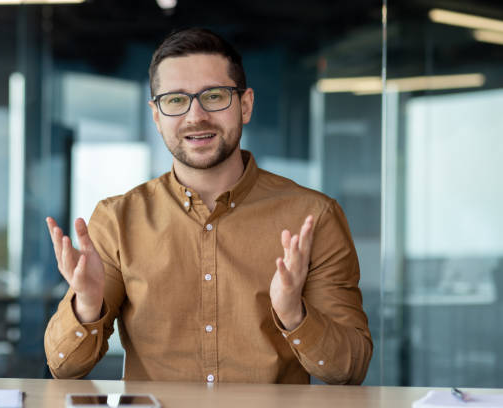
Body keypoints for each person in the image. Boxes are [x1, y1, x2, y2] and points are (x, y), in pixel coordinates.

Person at [44, 27, 372, 384]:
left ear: (245, 105)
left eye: (214, 97)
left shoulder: (314, 217)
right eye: (175, 100)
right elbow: (64, 367)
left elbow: (349, 370)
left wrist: (295, 315)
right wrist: (87, 305)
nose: (195, 116)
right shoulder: (117, 220)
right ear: (156, 116)